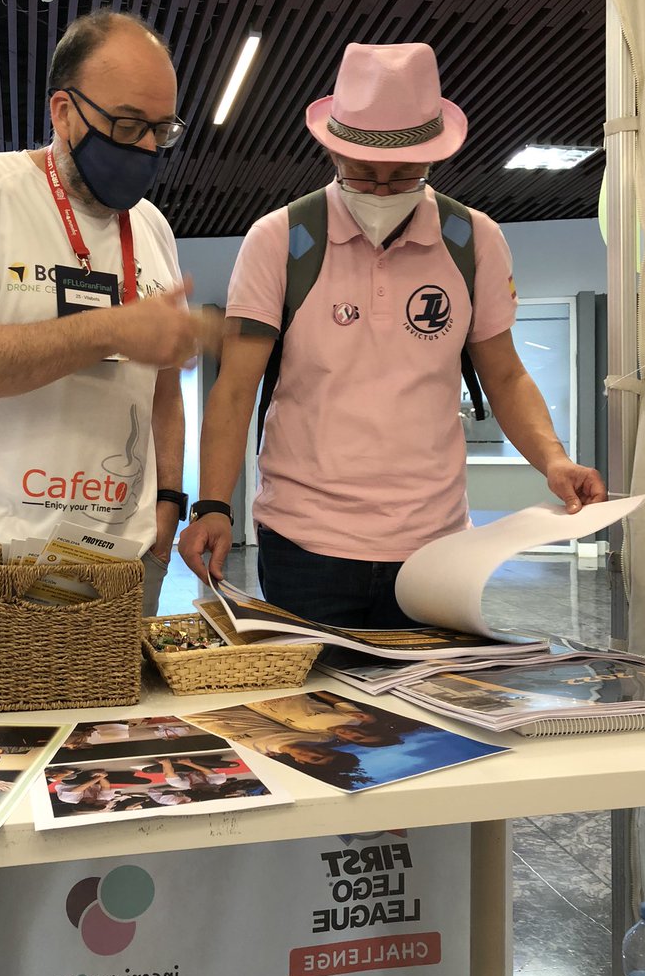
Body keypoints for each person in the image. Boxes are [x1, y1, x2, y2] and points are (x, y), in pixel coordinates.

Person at [180, 41, 606, 628]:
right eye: (362, 175)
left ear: (432, 160)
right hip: (304, 543)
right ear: (333, 150)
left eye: (403, 176)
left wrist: (553, 460)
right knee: (314, 693)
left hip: (435, 544)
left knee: (435, 692)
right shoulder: (280, 239)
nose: (381, 192)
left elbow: (506, 376)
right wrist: (212, 505)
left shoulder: (473, 240)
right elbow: (234, 389)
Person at [0, 7, 216, 661]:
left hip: (121, 564)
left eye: (162, 130)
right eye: (128, 125)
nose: (146, 148)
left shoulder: (153, 228)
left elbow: (162, 392)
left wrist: (169, 498)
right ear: (64, 112)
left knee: (114, 730)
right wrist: (112, 328)